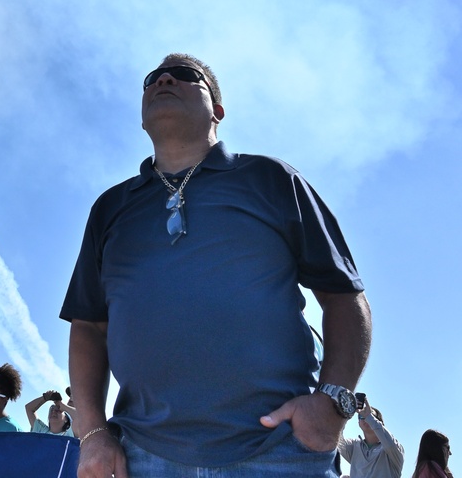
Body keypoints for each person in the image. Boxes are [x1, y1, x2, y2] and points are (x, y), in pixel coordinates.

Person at [62, 53, 371, 478]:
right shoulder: (111, 209)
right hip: (142, 458)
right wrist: (92, 433)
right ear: (140, 116)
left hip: (280, 452)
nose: (164, 79)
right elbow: (88, 328)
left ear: (218, 110)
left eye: (185, 76)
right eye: (152, 79)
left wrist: (332, 402)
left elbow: (345, 297)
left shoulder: (271, 179)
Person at [337, 395, 404, 478]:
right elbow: (336, 438)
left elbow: (390, 443)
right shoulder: (354, 446)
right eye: (361, 416)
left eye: (371, 415)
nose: (365, 417)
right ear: (358, 423)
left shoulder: (393, 451)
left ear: (380, 423)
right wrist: (346, 412)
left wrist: (369, 417)